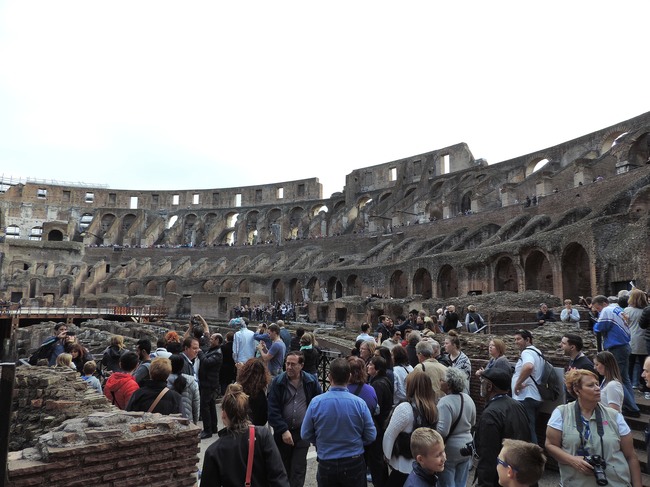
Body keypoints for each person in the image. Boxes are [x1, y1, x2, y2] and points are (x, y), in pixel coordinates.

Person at [545, 369, 642, 487]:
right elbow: (550, 445)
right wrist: (573, 460)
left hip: (615, 483)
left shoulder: (614, 416)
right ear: (577, 390)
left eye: (597, 384)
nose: (597, 388)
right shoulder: (562, 413)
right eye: (591, 385)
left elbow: (631, 455)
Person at [301, 357, 376, 487]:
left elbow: (305, 434)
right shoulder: (359, 403)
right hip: (353, 459)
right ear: (349, 376)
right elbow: (371, 435)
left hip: (327, 460)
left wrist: (320, 442)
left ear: (329, 377)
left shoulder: (316, 403)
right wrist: (356, 442)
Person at [201, 383, 289, 487]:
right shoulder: (263, 435)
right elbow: (279, 478)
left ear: (223, 414)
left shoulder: (213, 451)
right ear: (246, 412)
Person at [267, 351, 322, 487]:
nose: (289, 367)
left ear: (301, 365)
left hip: (303, 432)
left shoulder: (310, 382)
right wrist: (283, 430)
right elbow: (272, 410)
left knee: (298, 468)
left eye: (293, 364)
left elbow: (319, 405)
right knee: (282, 468)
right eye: (287, 364)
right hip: (282, 433)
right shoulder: (278, 382)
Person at [474, 368, 530, 487]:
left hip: (501, 478)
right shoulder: (518, 405)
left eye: (483, 382)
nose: (481, 386)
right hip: (519, 473)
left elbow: (488, 456)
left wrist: (484, 484)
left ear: (489, 386)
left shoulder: (490, 414)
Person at [383, 371, 438, 486]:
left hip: (403, 466)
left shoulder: (405, 408)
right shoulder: (433, 409)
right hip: (423, 465)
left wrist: (387, 457)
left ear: (411, 386)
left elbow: (389, 435)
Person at [592, 294, 641, 417]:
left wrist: (595, 325)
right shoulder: (618, 308)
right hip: (624, 346)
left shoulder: (607, 310)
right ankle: (631, 404)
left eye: (598, 308)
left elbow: (599, 327)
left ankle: (632, 408)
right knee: (625, 378)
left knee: (614, 378)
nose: (598, 311)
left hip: (616, 347)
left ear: (604, 303)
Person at [436, 367, 476, 487]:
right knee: (461, 482)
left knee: (447, 483)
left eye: (442, 380)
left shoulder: (444, 402)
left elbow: (443, 431)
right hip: (467, 446)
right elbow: (473, 422)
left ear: (449, 385)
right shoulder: (468, 398)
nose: (440, 381)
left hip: (451, 449)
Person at [511, 329, 544, 444]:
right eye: (515, 339)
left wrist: (517, 384)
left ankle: (533, 454)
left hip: (526, 397)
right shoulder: (537, 352)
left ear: (528, 339)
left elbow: (529, 367)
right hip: (534, 396)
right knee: (529, 429)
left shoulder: (527, 352)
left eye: (519, 339)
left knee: (527, 431)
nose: (516, 342)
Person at [367, 355, 393, 487]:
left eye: (371, 365)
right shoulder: (383, 380)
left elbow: (376, 407)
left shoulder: (378, 384)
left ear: (376, 369)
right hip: (382, 423)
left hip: (379, 424)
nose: (368, 366)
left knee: (376, 461)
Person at [198, 332, 223, 439]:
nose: (210, 340)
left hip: (209, 383)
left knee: (205, 406)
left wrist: (200, 353)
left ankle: (207, 430)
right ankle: (213, 427)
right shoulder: (212, 350)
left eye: (212, 339)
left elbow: (207, 362)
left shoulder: (218, 353)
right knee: (211, 405)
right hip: (207, 381)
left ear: (217, 341)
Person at [625, 288, 648, 395]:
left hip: (631, 339)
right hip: (643, 339)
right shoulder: (646, 310)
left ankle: (629, 385)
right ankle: (644, 385)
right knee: (644, 364)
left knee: (630, 364)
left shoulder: (627, 311)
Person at [167, 354, 200, 423]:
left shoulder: (164, 381)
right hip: (187, 421)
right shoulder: (191, 381)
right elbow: (196, 404)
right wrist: (195, 422)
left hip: (168, 421)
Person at [237, 358, 271, 426]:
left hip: (240, 427)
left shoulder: (239, 390)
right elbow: (263, 418)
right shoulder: (261, 394)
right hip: (256, 428)